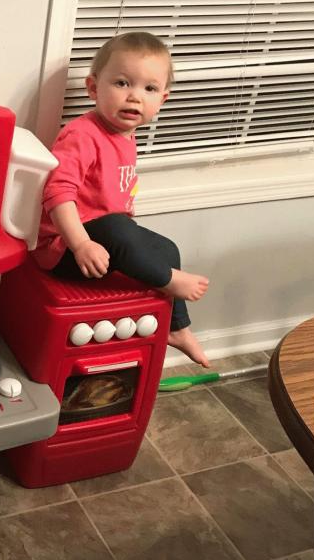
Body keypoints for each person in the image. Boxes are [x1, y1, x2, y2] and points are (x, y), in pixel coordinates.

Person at [33, 32, 211, 367]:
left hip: (105, 240)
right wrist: (80, 244)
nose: (134, 97)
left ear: (163, 98)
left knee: (166, 249)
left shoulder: (126, 137)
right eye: (122, 83)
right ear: (93, 88)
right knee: (119, 228)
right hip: (65, 249)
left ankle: (178, 329)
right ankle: (171, 281)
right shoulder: (82, 134)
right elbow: (56, 192)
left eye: (149, 89)